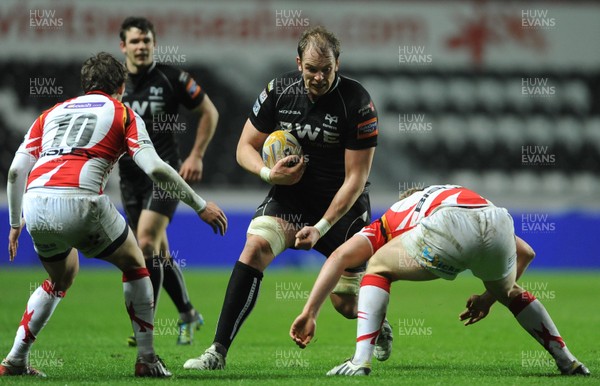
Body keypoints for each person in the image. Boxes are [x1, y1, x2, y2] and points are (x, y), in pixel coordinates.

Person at [1, 52, 227, 378]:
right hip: (82, 203)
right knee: (136, 266)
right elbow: (156, 168)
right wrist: (200, 205)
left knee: (59, 278)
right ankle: (147, 359)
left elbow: (14, 172)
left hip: (35, 206)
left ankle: (15, 359)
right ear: (121, 86)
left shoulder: (50, 113)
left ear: (85, 85)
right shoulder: (123, 113)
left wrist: (13, 224)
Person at [184, 25, 392, 372]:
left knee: (344, 303)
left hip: (341, 209)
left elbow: (356, 179)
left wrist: (322, 227)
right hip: (290, 200)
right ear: (299, 64)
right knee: (252, 250)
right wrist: (269, 175)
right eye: (312, 69)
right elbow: (244, 147)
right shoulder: (279, 91)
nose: (319, 77)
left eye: (326, 69)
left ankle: (378, 325)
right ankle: (217, 352)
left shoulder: (357, 103)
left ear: (337, 64)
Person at [289, 185, 590, 377]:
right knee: (510, 291)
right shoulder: (446, 194)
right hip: (497, 218)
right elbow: (527, 252)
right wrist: (488, 299)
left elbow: (340, 257)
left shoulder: (393, 216)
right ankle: (568, 360)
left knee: (378, 267)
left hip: (448, 224)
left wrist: (309, 312)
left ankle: (360, 361)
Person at [118, 16, 220, 346]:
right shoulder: (114, 84)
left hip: (165, 174)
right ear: (123, 46)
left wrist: (196, 155)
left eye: (146, 40)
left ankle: (144, 325)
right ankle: (188, 312)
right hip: (129, 178)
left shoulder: (171, 77)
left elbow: (209, 112)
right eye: (135, 41)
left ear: (154, 44)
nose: (142, 46)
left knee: (145, 241)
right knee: (157, 252)